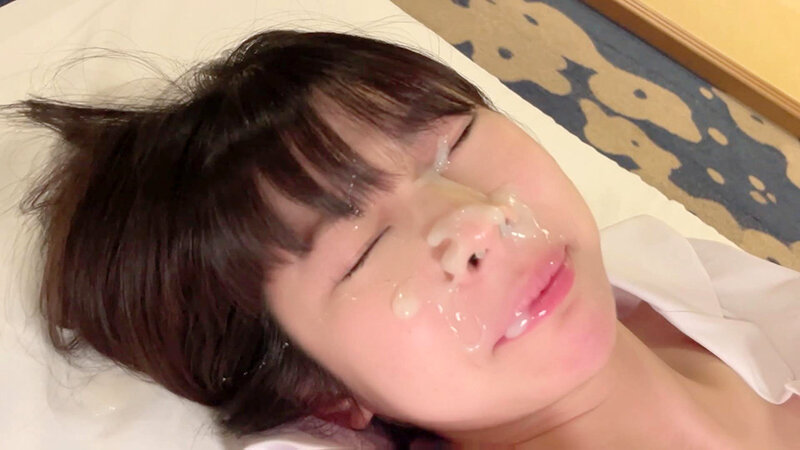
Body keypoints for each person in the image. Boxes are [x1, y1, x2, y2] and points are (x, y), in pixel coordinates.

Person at [8, 30, 799, 449]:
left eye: (451, 146)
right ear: (322, 394)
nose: (476, 219)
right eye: (361, 251)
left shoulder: (674, 270)